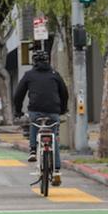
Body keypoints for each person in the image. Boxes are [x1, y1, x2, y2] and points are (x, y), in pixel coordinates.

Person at [13, 49, 69, 186]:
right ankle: (56, 170)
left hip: (35, 110)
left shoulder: (29, 75)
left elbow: (18, 94)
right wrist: (62, 109)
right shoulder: (55, 75)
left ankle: (33, 149)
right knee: (53, 137)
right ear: (48, 61)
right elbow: (64, 93)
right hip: (53, 111)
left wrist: (18, 111)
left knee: (34, 124)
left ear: (34, 62)